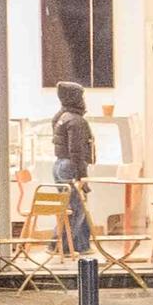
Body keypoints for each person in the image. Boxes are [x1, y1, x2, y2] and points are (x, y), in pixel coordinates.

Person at [48, 84, 98, 252]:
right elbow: (76, 151)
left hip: (60, 164)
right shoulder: (76, 121)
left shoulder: (61, 116)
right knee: (76, 208)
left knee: (73, 206)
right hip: (71, 166)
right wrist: (82, 176)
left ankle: (81, 245)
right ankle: (59, 245)